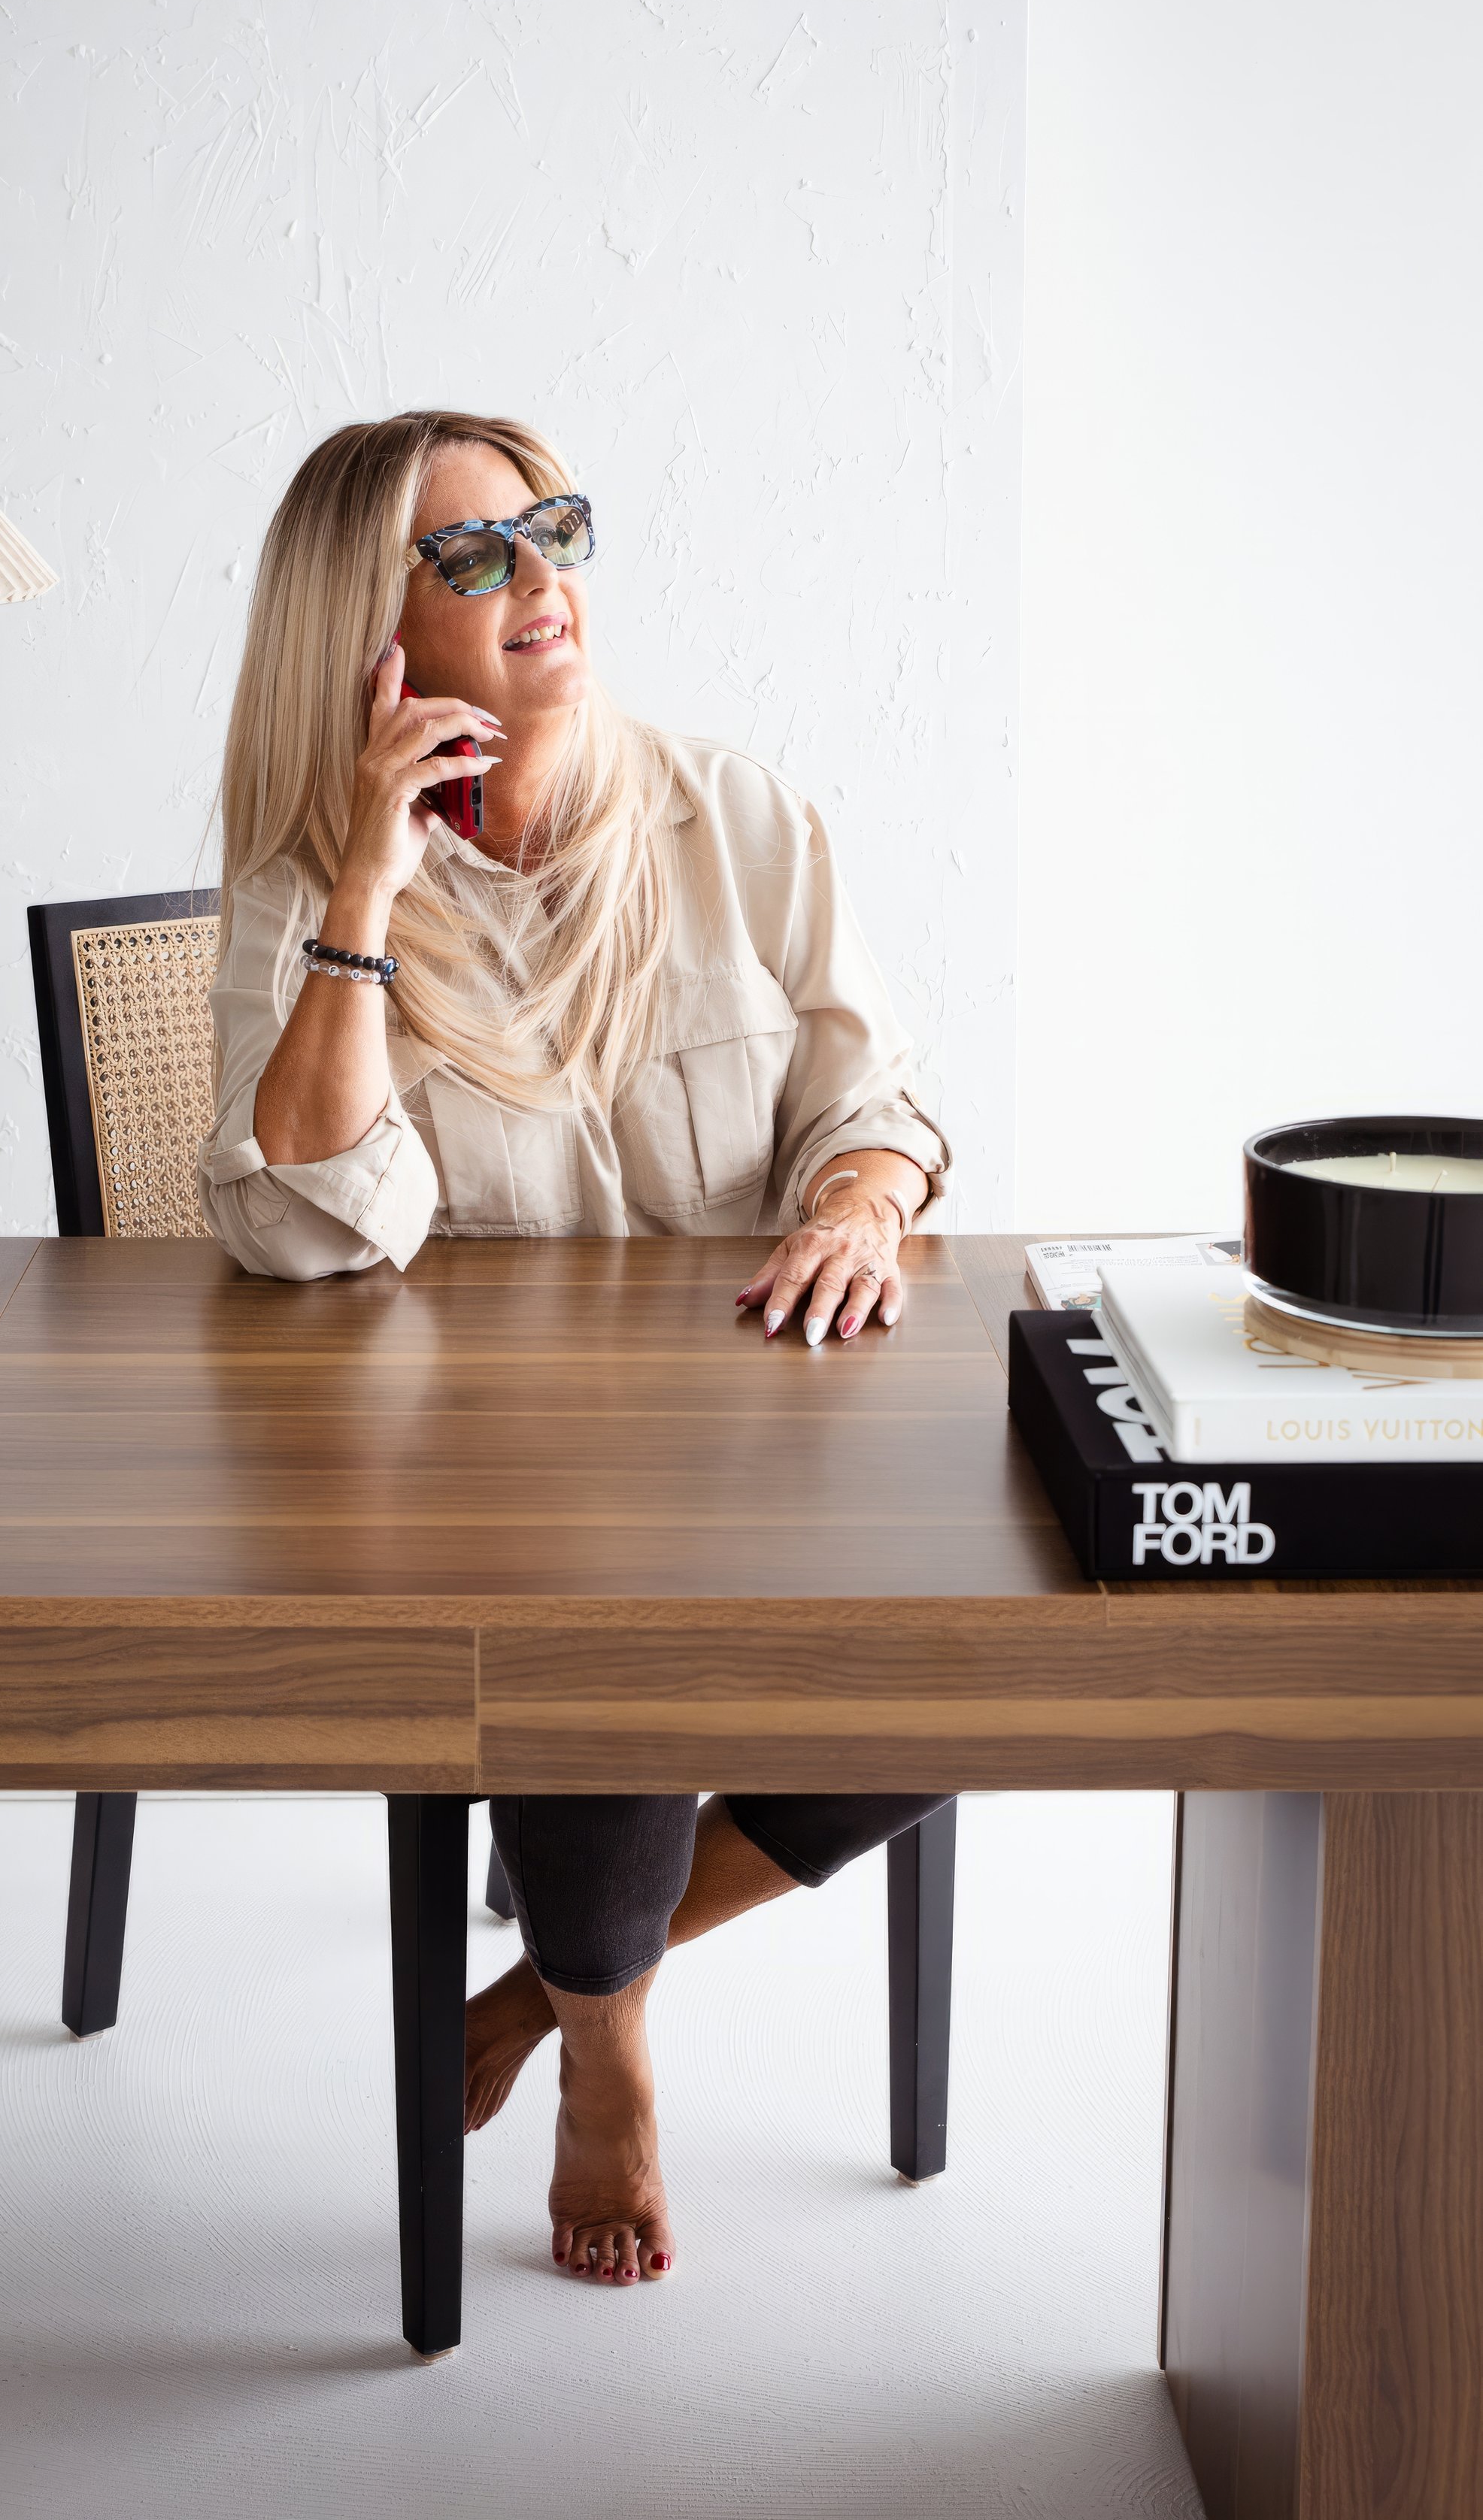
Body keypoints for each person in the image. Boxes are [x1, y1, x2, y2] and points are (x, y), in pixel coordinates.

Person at [198, 409, 952, 2290]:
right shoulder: (304, 894)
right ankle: (606, 2059)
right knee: (584, 1637)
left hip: (761, 1451)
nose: (543, 582)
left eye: (549, 530)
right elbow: (302, 1223)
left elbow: (874, 1096)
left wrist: (855, 1205)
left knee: (995, 1657)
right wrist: (367, 890)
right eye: (472, 556)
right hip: (479, 1494)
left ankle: (529, 2002)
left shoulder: (732, 813)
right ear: (357, 634)